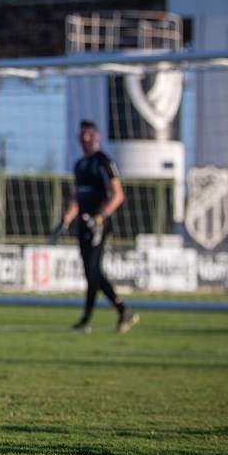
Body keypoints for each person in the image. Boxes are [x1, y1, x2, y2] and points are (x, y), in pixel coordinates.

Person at [50, 120, 139, 334]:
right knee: (92, 272)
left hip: (98, 226)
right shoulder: (79, 165)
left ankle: (87, 320)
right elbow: (76, 199)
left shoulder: (104, 162)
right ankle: (122, 311)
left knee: (92, 271)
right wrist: (64, 222)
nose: (85, 139)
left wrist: (99, 217)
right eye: (82, 135)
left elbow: (118, 195)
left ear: (97, 136)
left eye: (89, 135)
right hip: (82, 224)